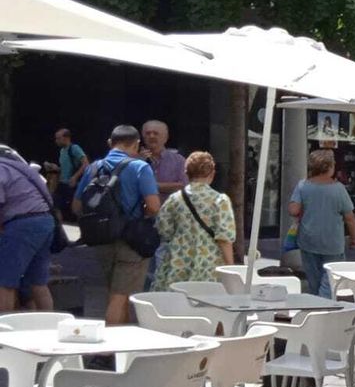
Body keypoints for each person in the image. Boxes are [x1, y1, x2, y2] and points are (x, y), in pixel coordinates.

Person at [74, 126, 160, 325]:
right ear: (136, 143)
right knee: (119, 297)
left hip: (102, 238)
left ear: (110, 143)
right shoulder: (140, 167)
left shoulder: (93, 168)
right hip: (131, 240)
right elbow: (154, 206)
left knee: (114, 294)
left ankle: (121, 343)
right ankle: (109, 351)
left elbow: (77, 205)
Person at [152, 152, 236, 292]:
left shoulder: (174, 199)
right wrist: (230, 266)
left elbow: (163, 229)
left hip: (177, 262)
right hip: (209, 265)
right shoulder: (220, 200)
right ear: (212, 173)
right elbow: (224, 238)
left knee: (176, 307)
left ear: (187, 173)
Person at [288, 149, 355, 298]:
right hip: (333, 243)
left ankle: (315, 304)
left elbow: (293, 210)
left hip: (308, 240)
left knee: (314, 280)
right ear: (330, 167)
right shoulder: (339, 189)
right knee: (330, 280)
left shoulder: (303, 186)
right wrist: (353, 238)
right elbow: (350, 218)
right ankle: (323, 307)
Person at [0, 146, 57, 312]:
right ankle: (49, 326)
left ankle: (4, 332)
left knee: (5, 282)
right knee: (38, 282)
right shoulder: (21, 169)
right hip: (45, 221)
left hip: (21, 224)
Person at [140, 119, 187, 196]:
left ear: (166, 137)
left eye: (156, 133)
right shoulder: (135, 161)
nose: (151, 136)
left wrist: (152, 186)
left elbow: (184, 185)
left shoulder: (178, 160)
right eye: (148, 133)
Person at [54, 128, 87, 219]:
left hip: (72, 184)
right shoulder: (62, 151)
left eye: (58, 138)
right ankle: (58, 228)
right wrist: (56, 168)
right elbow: (65, 167)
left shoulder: (74, 148)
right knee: (55, 204)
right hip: (62, 183)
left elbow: (86, 163)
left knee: (74, 209)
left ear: (66, 138)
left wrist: (75, 177)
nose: (56, 141)